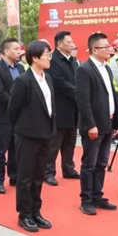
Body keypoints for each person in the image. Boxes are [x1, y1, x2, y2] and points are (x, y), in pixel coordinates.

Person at [8, 40, 56, 232]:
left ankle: (36, 211)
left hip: (45, 134)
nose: (49, 58)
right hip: (27, 135)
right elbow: (13, 109)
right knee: (25, 176)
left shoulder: (48, 78)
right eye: (46, 55)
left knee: (38, 176)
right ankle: (24, 214)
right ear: (34, 58)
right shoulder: (23, 81)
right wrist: (22, 129)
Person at [76, 33, 118, 215]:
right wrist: (90, 124)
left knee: (102, 163)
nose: (109, 49)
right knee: (89, 164)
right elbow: (83, 101)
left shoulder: (106, 68)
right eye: (105, 47)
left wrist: (116, 121)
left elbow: (111, 95)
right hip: (94, 125)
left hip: (108, 122)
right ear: (94, 50)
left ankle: (97, 195)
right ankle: (86, 199)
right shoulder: (84, 69)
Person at [45, 31, 80, 186]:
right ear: (59, 44)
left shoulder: (73, 60)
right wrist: (79, 93)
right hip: (59, 107)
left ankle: (68, 168)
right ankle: (48, 172)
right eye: (69, 42)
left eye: (72, 42)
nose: (72, 45)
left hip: (73, 108)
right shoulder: (53, 60)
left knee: (70, 142)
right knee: (54, 143)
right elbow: (59, 83)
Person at [0, 38, 24, 194]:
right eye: (15, 49)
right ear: (6, 51)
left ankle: (14, 177)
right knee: (0, 151)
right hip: (2, 116)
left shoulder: (21, 68)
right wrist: (15, 105)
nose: (19, 51)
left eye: (19, 49)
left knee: (16, 149)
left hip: (19, 117)